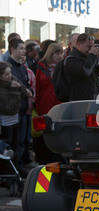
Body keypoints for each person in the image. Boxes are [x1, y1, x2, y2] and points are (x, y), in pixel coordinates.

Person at [35, 42, 64, 163]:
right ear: (51, 54)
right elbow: (36, 88)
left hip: (58, 105)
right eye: (57, 53)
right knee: (44, 134)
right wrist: (36, 106)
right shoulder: (40, 67)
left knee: (57, 134)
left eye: (61, 53)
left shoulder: (63, 67)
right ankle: (44, 160)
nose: (60, 56)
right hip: (44, 105)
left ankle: (56, 159)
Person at [7, 38, 34, 170]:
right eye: (21, 49)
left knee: (22, 141)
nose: (24, 51)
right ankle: (14, 169)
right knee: (13, 143)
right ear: (12, 50)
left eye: (25, 48)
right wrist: (24, 91)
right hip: (13, 112)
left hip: (24, 110)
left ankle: (20, 166)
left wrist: (29, 90)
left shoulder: (22, 67)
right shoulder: (8, 67)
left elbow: (27, 84)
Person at [64, 33, 99, 101]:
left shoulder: (89, 57)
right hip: (79, 101)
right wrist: (92, 56)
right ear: (79, 44)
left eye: (92, 46)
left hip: (93, 99)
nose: (90, 49)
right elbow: (86, 71)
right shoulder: (71, 60)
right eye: (88, 46)